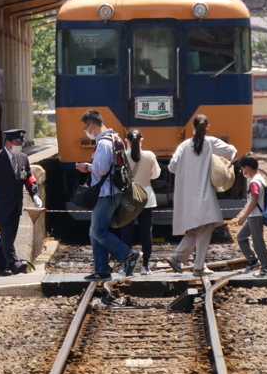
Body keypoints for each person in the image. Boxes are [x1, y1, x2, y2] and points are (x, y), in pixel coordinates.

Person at [165, 114, 238, 277]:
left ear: (192, 128)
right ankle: (198, 266)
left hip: (187, 195)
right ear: (207, 127)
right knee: (205, 227)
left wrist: (186, 174)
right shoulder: (211, 143)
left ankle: (178, 257)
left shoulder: (184, 145)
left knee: (196, 228)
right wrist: (221, 163)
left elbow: (172, 167)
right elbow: (232, 151)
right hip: (204, 194)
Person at [75, 110, 141, 280]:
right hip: (112, 191)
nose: (86, 132)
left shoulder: (104, 143)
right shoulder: (115, 137)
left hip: (107, 193)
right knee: (95, 231)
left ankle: (129, 255)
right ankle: (102, 270)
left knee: (98, 231)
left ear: (92, 125)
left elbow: (101, 170)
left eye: (86, 128)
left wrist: (86, 167)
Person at [0, 128, 43, 276]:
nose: (19, 145)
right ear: (7, 143)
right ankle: (14, 263)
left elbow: (29, 178)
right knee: (6, 235)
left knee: (9, 236)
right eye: (16, 142)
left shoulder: (23, 158)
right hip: (1, 205)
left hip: (17, 204)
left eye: (21, 143)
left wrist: (35, 195)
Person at [120, 128, 161, 275]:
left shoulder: (123, 156)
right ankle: (145, 266)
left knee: (126, 232)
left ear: (127, 141)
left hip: (128, 199)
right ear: (141, 140)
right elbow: (155, 174)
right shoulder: (150, 155)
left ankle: (126, 266)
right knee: (146, 232)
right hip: (147, 198)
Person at [232, 153, 267, 278]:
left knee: (258, 242)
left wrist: (244, 216)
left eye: (242, 168)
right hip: (254, 216)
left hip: (255, 215)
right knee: (241, 237)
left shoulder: (254, 182)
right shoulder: (259, 178)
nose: (242, 171)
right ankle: (253, 261)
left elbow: (254, 200)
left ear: (247, 168)